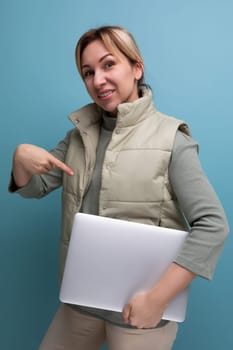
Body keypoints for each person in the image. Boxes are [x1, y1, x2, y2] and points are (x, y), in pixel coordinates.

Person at [9, 26, 229, 350]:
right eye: (88, 72)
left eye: (108, 64)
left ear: (136, 68)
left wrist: (157, 299)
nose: (97, 80)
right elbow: (35, 187)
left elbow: (213, 226)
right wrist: (20, 158)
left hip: (140, 313)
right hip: (80, 303)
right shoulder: (78, 137)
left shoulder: (172, 140)